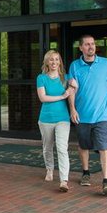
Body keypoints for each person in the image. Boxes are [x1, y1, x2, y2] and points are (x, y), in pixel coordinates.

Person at [67, 35, 107, 196]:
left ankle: (106, 181)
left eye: (92, 44)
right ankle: (86, 172)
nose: (91, 47)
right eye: (87, 44)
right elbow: (71, 89)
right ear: (81, 48)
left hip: (103, 115)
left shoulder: (106, 63)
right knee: (84, 145)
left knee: (104, 146)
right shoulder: (74, 66)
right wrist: (72, 109)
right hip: (83, 115)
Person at [37, 50, 71, 193]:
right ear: (47, 62)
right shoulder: (41, 78)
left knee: (62, 148)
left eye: (57, 59)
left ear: (60, 62)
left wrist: (75, 85)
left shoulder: (66, 77)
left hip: (63, 118)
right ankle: (49, 169)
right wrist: (62, 96)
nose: (54, 62)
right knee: (47, 147)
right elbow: (43, 98)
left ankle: (64, 180)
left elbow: (74, 92)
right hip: (46, 119)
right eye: (51, 60)